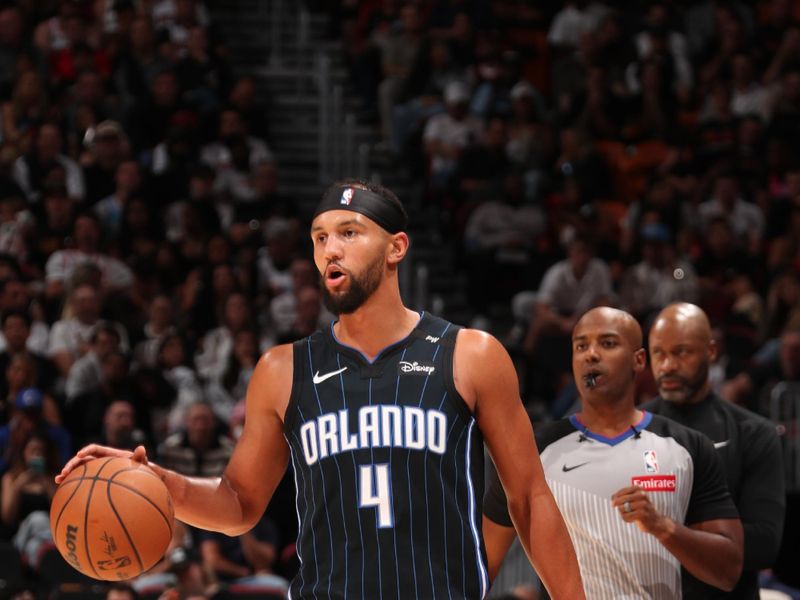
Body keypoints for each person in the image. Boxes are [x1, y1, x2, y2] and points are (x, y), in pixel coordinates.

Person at [58, 179, 584, 599]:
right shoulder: (282, 369)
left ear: (397, 247)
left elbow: (530, 500)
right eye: (320, 237)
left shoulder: (471, 354)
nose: (331, 249)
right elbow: (240, 504)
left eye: (349, 233)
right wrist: (157, 483)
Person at [484, 306, 744, 598]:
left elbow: (728, 571)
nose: (591, 354)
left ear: (639, 360)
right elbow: (481, 565)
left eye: (607, 344)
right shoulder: (535, 449)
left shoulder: (687, 446)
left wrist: (663, 527)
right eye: (581, 345)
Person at [643, 302, 785, 599]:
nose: (667, 365)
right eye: (659, 353)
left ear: (710, 351)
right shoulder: (629, 432)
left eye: (681, 352)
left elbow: (764, 545)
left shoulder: (753, 433)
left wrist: (664, 528)